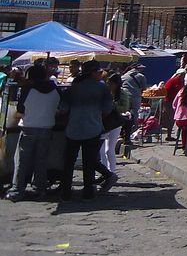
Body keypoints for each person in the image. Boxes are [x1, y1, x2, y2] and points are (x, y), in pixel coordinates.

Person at [58, 61, 115, 200]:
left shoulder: (73, 88)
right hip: (93, 128)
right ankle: (88, 191)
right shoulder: (102, 89)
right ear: (93, 73)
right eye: (99, 72)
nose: (101, 75)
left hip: (73, 129)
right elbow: (107, 109)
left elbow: (63, 108)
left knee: (69, 162)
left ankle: (66, 191)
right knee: (89, 162)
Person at [7, 63, 60, 201]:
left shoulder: (28, 89)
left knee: (22, 161)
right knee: (41, 161)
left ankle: (17, 189)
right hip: (47, 128)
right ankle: (39, 188)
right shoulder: (55, 89)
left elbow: (20, 110)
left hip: (28, 128)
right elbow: (60, 108)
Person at [99, 72, 130, 183]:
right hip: (104, 122)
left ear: (116, 84)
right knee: (101, 149)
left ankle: (112, 172)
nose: (109, 85)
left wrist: (112, 105)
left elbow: (124, 108)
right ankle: (105, 172)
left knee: (109, 149)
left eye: (111, 83)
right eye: (108, 83)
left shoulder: (123, 94)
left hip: (115, 123)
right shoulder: (106, 92)